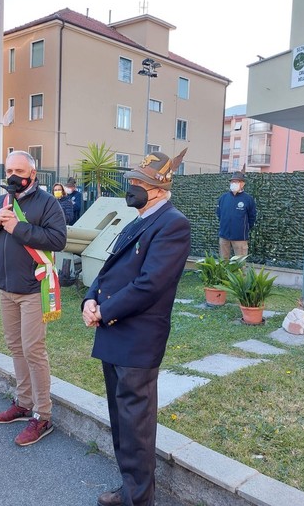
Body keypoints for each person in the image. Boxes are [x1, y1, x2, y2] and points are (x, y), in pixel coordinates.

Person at [81, 151, 191, 506]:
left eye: (139, 183)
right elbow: (109, 269)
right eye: (133, 181)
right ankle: (130, 489)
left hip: (138, 338)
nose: (132, 188)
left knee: (136, 427)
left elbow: (149, 285)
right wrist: (89, 298)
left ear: (159, 189)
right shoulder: (139, 219)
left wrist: (104, 311)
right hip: (116, 333)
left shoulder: (173, 224)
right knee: (121, 421)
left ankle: (139, 500)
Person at [0, 151, 67, 446]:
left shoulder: (47, 202)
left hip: (33, 290)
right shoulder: (3, 202)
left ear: (33, 173)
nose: (13, 176)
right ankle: (23, 403)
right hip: (6, 288)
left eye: (20, 170)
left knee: (33, 351)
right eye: (9, 170)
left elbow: (57, 240)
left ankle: (43, 416)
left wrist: (19, 227)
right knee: (16, 348)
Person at [216, 170, 256, 259]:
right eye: (232, 182)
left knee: (240, 264)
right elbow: (219, 214)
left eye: (236, 182)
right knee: (223, 262)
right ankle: (224, 274)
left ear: (242, 184)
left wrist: (243, 228)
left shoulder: (248, 199)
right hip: (224, 236)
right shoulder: (223, 198)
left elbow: (252, 217)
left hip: (240, 237)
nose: (234, 183)